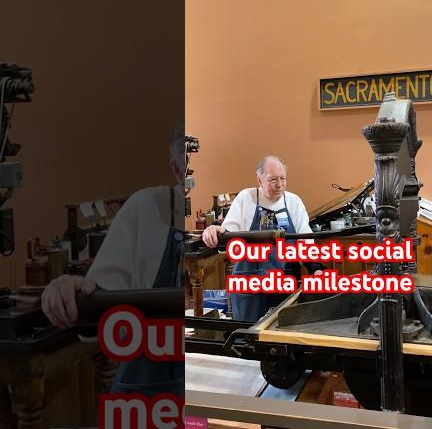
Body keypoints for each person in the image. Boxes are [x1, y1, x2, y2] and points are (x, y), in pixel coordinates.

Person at [41, 121, 186, 397]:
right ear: (176, 170)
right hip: (151, 400)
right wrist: (72, 289)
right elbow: (101, 301)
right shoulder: (146, 208)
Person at [202, 156, 313, 322]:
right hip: (249, 285)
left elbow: (306, 241)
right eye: (273, 179)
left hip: (284, 283)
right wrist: (214, 230)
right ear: (259, 180)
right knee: (247, 337)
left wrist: (315, 268)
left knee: (281, 337)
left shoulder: (294, 202)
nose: (279, 184)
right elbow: (228, 231)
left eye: (283, 178)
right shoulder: (246, 198)